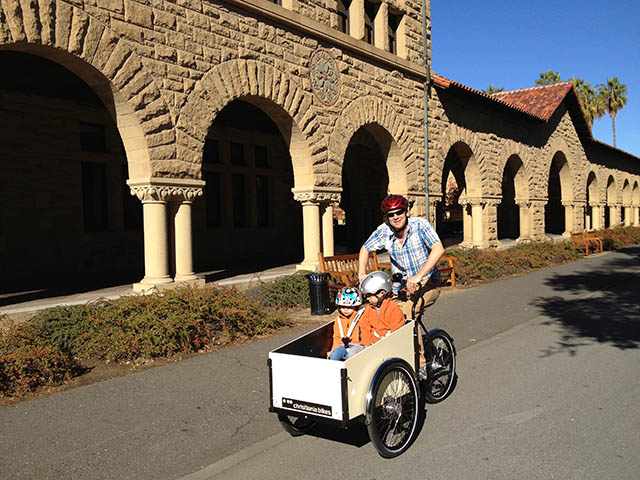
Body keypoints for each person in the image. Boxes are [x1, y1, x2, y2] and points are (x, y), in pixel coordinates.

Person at [358, 194, 445, 312]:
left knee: (409, 313)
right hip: (400, 286)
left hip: (427, 282)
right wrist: (362, 274)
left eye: (399, 212)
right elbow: (365, 248)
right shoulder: (384, 230)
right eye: (391, 214)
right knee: (386, 313)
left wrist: (418, 276)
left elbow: (438, 249)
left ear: (406, 211)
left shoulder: (420, 225)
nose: (396, 217)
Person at [358, 271, 405, 346]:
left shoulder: (393, 308)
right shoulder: (368, 309)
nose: (367, 299)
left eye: (370, 295)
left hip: (390, 344)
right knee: (354, 351)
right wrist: (366, 344)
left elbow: (397, 329)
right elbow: (365, 327)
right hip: (372, 344)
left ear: (382, 293)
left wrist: (388, 342)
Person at [328, 287, 366, 361]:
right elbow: (337, 337)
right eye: (343, 306)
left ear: (356, 306)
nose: (345, 309)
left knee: (350, 357)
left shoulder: (360, 317)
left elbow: (365, 332)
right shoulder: (338, 320)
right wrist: (333, 350)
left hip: (357, 345)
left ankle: (348, 372)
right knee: (334, 356)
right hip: (343, 345)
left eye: (349, 307)